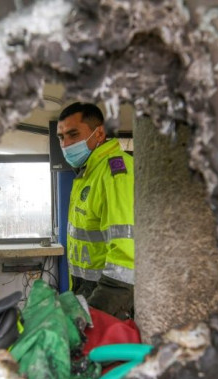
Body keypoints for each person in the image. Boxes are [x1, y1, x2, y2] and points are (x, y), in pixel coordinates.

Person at [56, 102, 134, 319]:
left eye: (73, 134)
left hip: (111, 299)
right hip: (87, 291)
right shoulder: (88, 173)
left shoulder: (115, 172)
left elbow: (126, 258)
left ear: (98, 133)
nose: (66, 144)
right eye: (61, 138)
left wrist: (97, 313)